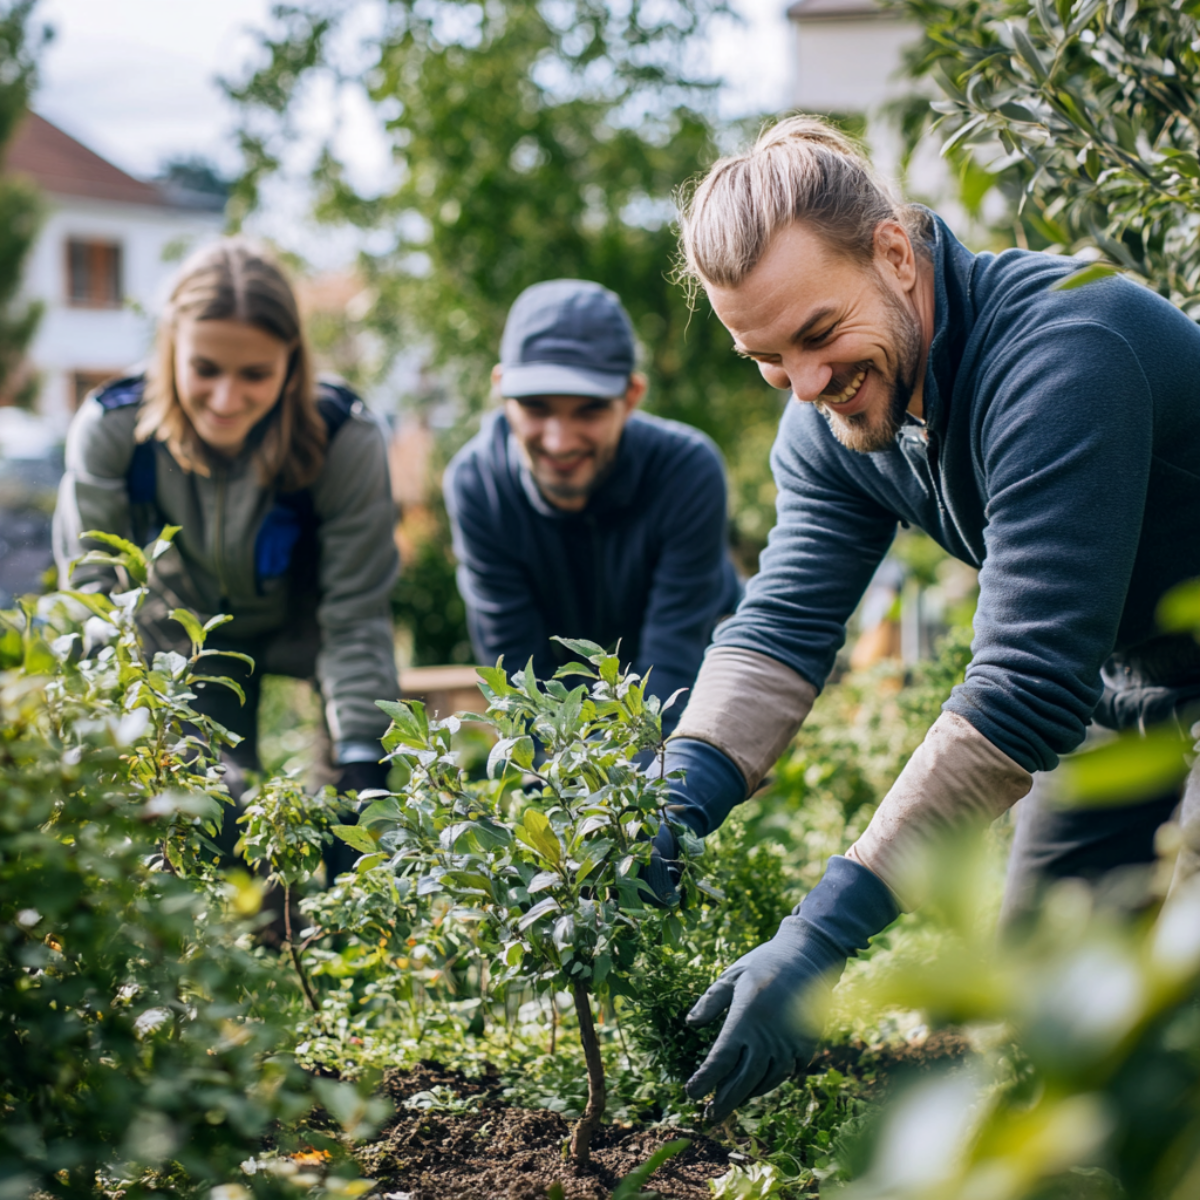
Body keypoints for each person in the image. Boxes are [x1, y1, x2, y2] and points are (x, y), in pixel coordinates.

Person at [652, 116, 1200, 1121]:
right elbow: (781, 623)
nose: (807, 386)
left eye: (817, 335)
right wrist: (665, 805)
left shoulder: (1063, 355)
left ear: (895, 253)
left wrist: (821, 934)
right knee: (1053, 1036)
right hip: (1129, 690)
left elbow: (1026, 688)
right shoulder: (837, 417)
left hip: (1125, 679)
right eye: (765, 359)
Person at [53, 239, 400, 868]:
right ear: (170, 351)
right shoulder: (112, 430)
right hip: (183, 632)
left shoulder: (345, 436)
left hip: (310, 623)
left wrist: (359, 758)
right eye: (205, 368)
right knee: (214, 821)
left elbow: (354, 614)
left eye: (255, 375)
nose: (225, 397)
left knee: (356, 816)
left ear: (292, 364)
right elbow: (95, 601)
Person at [444, 278, 741, 741]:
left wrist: (628, 804)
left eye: (588, 411)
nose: (559, 441)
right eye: (536, 408)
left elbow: (674, 660)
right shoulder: (477, 486)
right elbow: (521, 685)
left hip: (700, 676)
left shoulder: (687, 471)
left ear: (631, 397)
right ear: (501, 390)